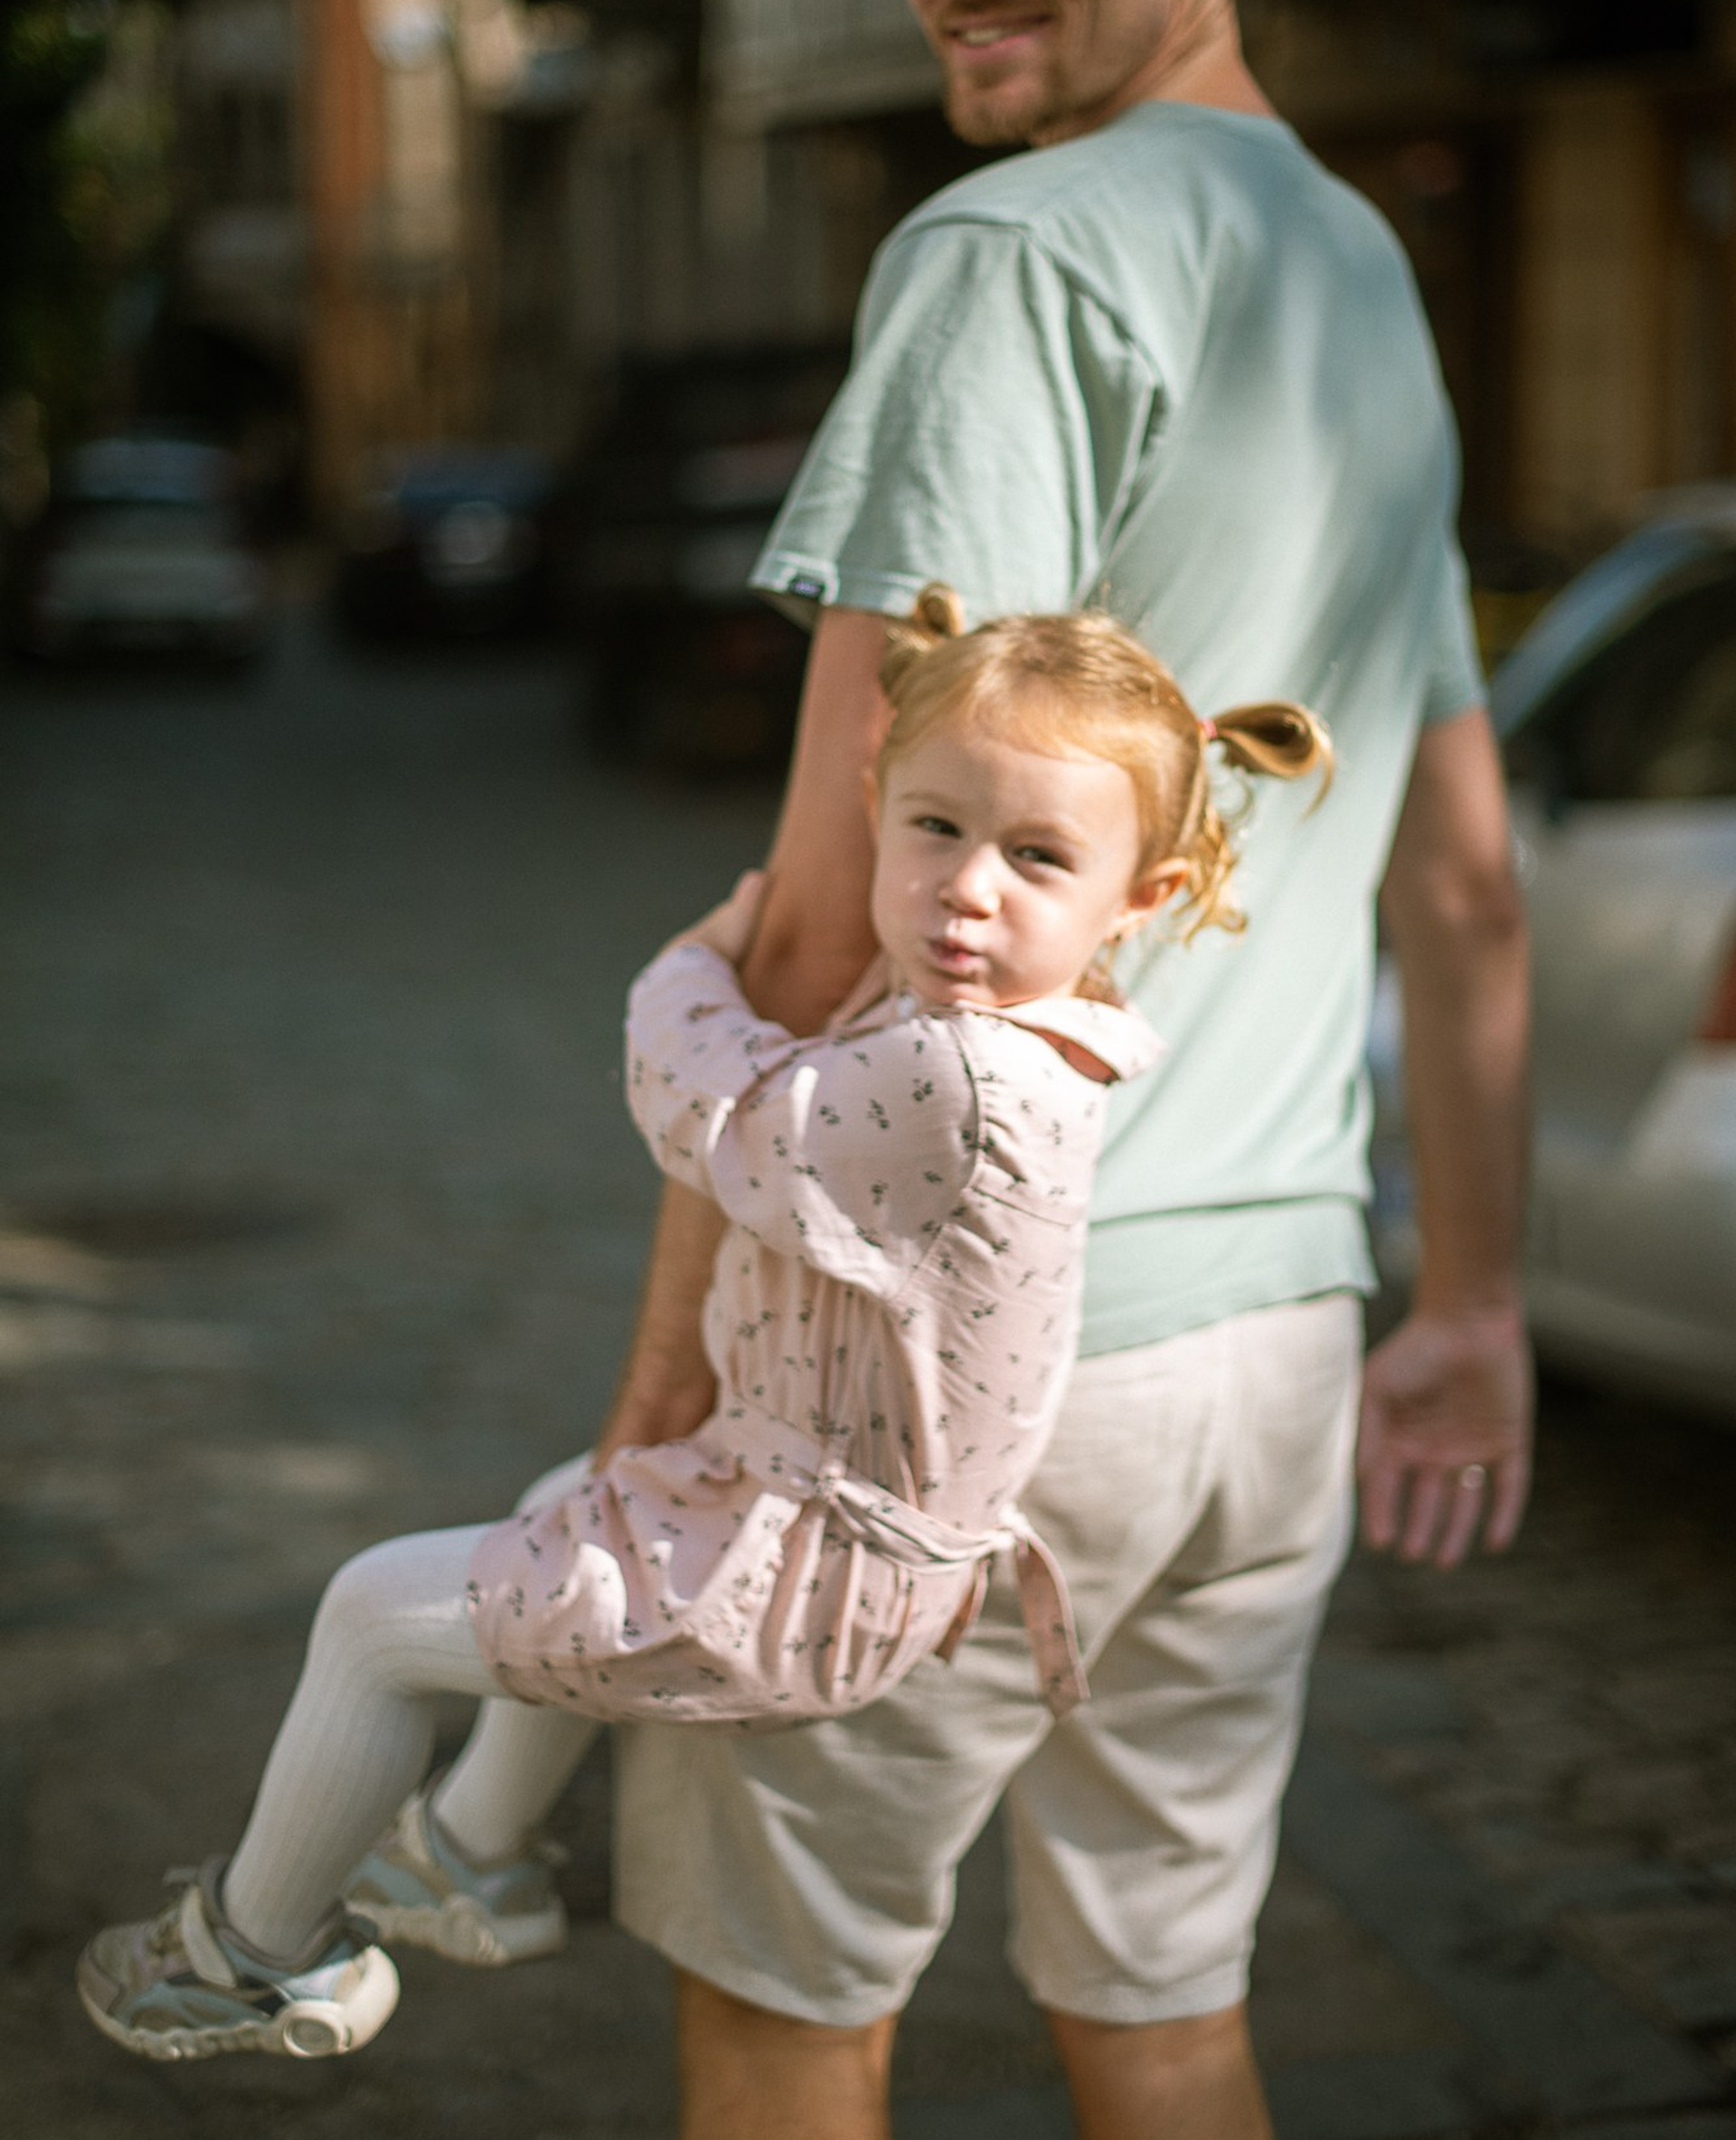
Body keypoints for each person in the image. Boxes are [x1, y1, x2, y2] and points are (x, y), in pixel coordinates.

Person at [584, 0, 1534, 2139]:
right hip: (1270, 1358)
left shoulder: (1012, 253)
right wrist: (1466, 1292)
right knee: (1169, 2012)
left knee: (783, 2012)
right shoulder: (1359, 262)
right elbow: (1465, 885)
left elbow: (832, 917)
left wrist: (668, 1396)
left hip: (962, 1360)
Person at [75, 589, 1330, 2066]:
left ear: (1143, 899)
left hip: (800, 1575)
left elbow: (708, 1100)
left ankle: (245, 1959)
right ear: (879, 807)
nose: (967, 890)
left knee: (368, 1615)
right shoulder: (986, 1010)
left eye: (1037, 856)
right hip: (777, 1502)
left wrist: (706, 948)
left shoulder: (972, 1082)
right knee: (569, 1500)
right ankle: (468, 1855)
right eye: (934, 829)